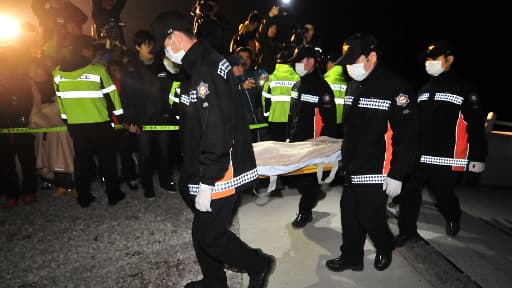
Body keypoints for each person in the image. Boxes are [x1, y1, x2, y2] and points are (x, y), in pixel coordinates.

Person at [151, 10, 275, 288]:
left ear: (176, 37)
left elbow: (217, 130)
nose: (165, 54)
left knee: (210, 234)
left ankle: (258, 263)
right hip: (207, 164)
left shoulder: (206, 69)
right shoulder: (204, 63)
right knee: (202, 229)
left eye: (165, 46)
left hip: (221, 168)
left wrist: (208, 180)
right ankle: (214, 280)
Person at [325, 32, 417, 272]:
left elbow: (406, 137)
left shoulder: (396, 88)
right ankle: (352, 258)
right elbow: (350, 130)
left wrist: (397, 173)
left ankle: (385, 245)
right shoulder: (353, 85)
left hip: (379, 168)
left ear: (372, 56)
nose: (349, 68)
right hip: (353, 166)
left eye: (354, 61)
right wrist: (340, 158)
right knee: (349, 215)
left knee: (369, 216)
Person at [395, 40, 488, 246]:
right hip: (420, 154)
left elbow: (475, 125)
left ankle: (453, 215)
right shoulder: (424, 89)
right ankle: (407, 231)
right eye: (427, 59)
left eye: (434, 58)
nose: (429, 62)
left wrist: (478, 157)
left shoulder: (464, 88)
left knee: (443, 195)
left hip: (445, 156)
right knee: (409, 193)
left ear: (449, 60)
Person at [53, 34, 126, 208]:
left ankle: (84, 197)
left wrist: (67, 121)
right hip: (99, 123)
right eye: (91, 49)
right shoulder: (98, 71)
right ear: (85, 50)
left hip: (76, 125)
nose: (93, 53)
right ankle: (113, 194)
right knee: (107, 159)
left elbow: (60, 101)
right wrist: (121, 118)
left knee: (81, 161)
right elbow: (112, 96)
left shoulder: (57, 73)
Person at [122, 29, 177, 198]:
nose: (151, 48)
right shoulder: (130, 68)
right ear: (138, 47)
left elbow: (172, 87)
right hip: (142, 117)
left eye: (152, 45)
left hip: (162, 115)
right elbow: (126, 96)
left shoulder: (162, 64)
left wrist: (171, 111)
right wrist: (129, 121)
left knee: (164, 151)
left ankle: (165, 181)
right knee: (145, 154)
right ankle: (147, 186)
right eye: (147, 45)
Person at [287, 45, 337, 228]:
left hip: (313, 146)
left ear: (311, 62)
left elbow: (330, 122)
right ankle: (312, 196)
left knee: (308, 182)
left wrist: (323, 147)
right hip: (296, 144)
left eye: (300, 61)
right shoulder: (297, 85)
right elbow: (292, 116)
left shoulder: (322, 89)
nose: (297, 66)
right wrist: (288, 139)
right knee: (300, 180)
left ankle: (304, 212)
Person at [323, 52, 348, 138]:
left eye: (327, 63)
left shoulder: (326, 81)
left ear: (331, 63)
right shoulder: (347, 80)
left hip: (329, 123)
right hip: (344, 125)